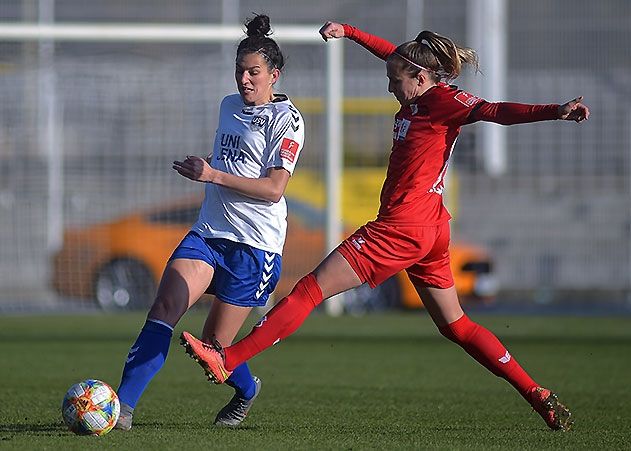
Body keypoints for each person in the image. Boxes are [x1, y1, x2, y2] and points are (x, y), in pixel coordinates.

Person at [180, 21, 589, 431]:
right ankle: (536, 394)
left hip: (401, 228)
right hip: (431, 229)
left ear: (420, 77)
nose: (390, 88)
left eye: (395, 81)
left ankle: (228, 359)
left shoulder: (444, 101)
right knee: (457, 326)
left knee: (309, 290)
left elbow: (495, 111)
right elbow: (390, 53)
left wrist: (555, 111)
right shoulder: (415, 83)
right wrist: (350, 32)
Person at [113, 14, 305, 430]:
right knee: (164, 309)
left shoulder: (287, 122)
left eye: (254, 72)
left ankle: (247, 389)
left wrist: (212, 175)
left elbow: (274, 189)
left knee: (215, 347)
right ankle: (121, 410)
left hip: (255, 249)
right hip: (209, 233)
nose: (245, 80)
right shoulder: (228, 106)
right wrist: (206, 172)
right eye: (239, 71)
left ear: (275, 74)